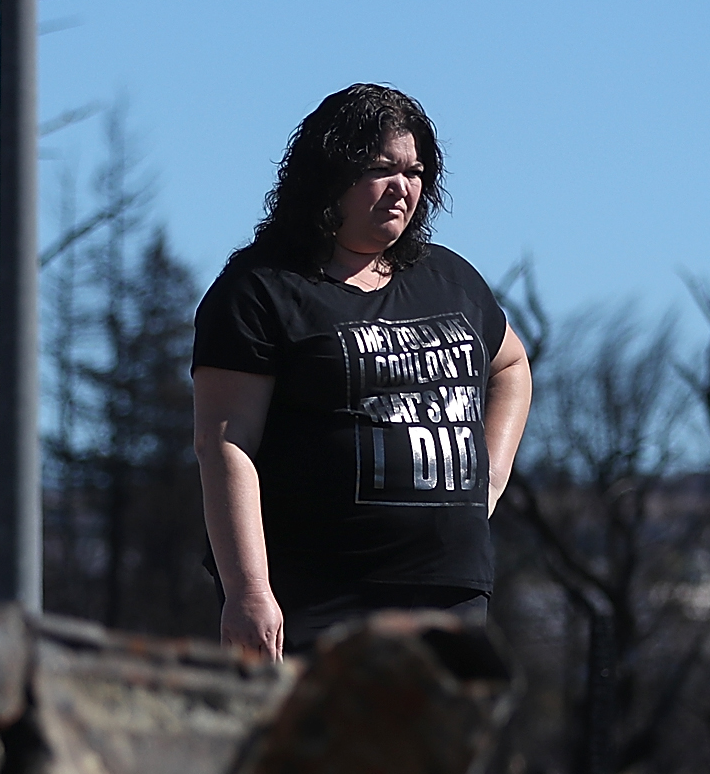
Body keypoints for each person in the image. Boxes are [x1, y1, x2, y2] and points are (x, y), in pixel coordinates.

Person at [190, 83, 531, 661]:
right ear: (329, 176)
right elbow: (225, 443)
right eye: (381, 169)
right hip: (321, 596)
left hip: (448, 591)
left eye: (416, 171)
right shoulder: (261, 290)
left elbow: (512, 366)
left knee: (435, 753)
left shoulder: (449, 278)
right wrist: (249, 590)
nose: (403, 187)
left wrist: (487, 482)